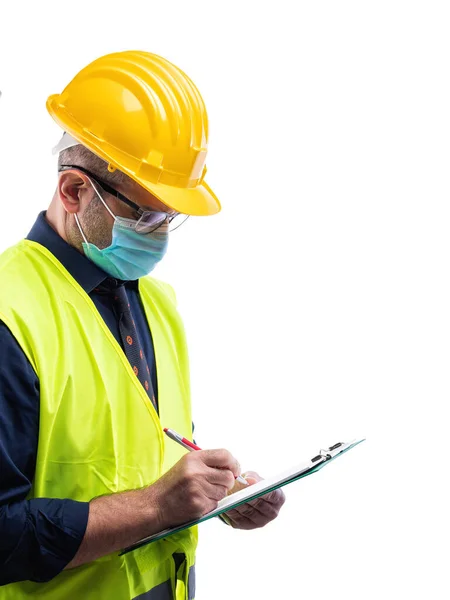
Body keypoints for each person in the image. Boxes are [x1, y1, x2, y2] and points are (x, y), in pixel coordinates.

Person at [0, 51, 285, 599]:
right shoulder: (10, 318)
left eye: (170, 217)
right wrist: (157, 506)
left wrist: (216, 496)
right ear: (74, 191)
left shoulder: (156, 301)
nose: (161, 235)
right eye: (147, 216)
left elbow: (144, 457)